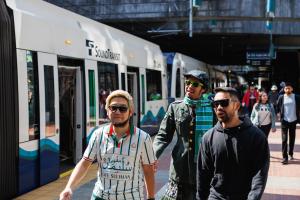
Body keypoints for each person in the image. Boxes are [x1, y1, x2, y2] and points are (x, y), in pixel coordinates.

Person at [59, 90, 156, 200]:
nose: (117, 112)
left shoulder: (143, 138)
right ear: (107, 111)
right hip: (100, 197)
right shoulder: (98, 135)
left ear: (130, 112)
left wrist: (151, 197)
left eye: (123, 108)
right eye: (113, 108)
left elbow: (148, 171)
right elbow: (84, 163)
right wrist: (69, 187)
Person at [197, 87, 269, 200]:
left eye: (224, 103)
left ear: (236, 105)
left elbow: (259, 175)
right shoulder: (208, 138)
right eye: (215, 104)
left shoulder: (257, 137)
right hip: (216, 196)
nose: (219, 107)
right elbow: (203, 175)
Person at [153, 70, 214, 200]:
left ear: (203, 89)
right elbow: (163, 136)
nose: (189, 86)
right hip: (179, 169)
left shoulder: (212, 109)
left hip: (204, 168)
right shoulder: (175, 107)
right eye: (188, 83)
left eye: (195, 84)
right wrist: (153, 156)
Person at [276, 82, 300, 164]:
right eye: (286, 88)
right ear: (284, 89)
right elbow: (277, 107)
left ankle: (291, 153)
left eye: (289, 88)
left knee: (292, 138)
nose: (287, 89)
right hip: (284, 121)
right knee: (284, 139)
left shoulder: (296, 97)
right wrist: (278, 115)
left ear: (292, 89)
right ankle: (284, 157)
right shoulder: (281, 97)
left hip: (293, 120)